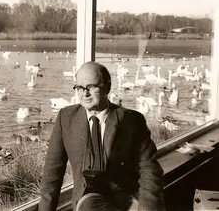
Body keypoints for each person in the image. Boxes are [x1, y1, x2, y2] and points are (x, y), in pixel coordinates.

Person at [38, 61, 165, 211]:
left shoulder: (132, 120)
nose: (84, 94)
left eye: (91, 87)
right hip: (86, 202)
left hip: (127, 201)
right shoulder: (65, 118)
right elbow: (51, 175)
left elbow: (149, 170)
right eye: (79, 88)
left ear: (107, 87)